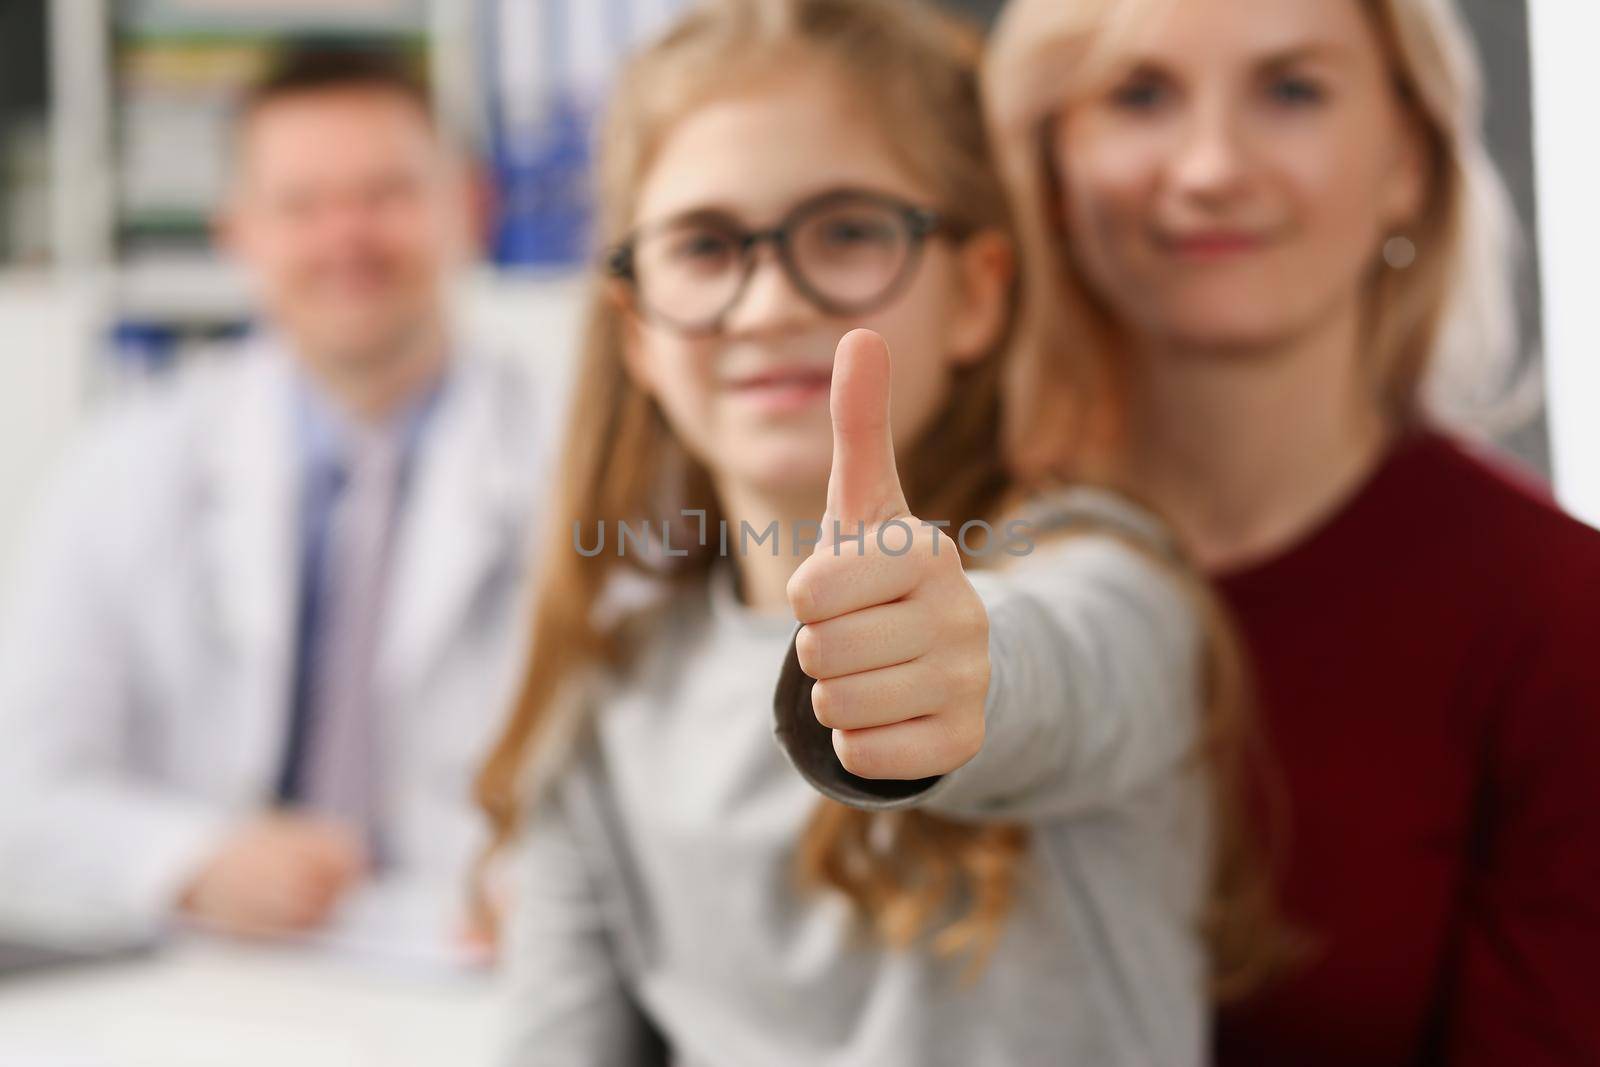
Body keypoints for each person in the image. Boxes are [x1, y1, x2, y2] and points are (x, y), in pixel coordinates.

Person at [479, 1, 1284, 1063]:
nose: (767, 303)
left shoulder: (1104, 574)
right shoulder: (607, 702)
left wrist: (951, 673)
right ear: (636, 326)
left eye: (849, 230)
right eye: (706, 246)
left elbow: (1057, 668)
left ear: (976, 295)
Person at [984, 0, 1600, 1063]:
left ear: (1407, 158)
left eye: (1290, 90)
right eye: (1138, 95)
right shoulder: (947, 584)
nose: (1212, 165)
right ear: (1048, 162)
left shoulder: (1560, 610)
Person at [0, 48, 555, 944]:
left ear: (473, 208)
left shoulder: (574, 466)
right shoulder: (124, 464)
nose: (347, 240)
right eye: (300, 206)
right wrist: (188, 857)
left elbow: (654, 783)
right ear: (238, 233)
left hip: (484, 978)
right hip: (203, 981)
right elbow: (18, 795)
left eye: (386, 196)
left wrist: (542, 888)